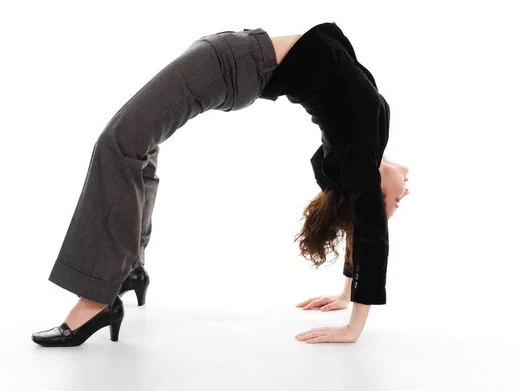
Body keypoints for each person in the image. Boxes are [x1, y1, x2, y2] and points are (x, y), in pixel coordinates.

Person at [31, 22, 409, 347]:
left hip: (228, 65)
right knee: (138, 147)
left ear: (370, 185)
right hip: (235, 58)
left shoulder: (357, 149)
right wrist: (346, 291)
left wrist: (353, 325)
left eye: (393, 201)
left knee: (117, 144)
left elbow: (369, 226)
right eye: (393, 204)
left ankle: (95, 303)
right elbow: (364, 219)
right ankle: (128, 270)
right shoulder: (368, 139)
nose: (404, 194)